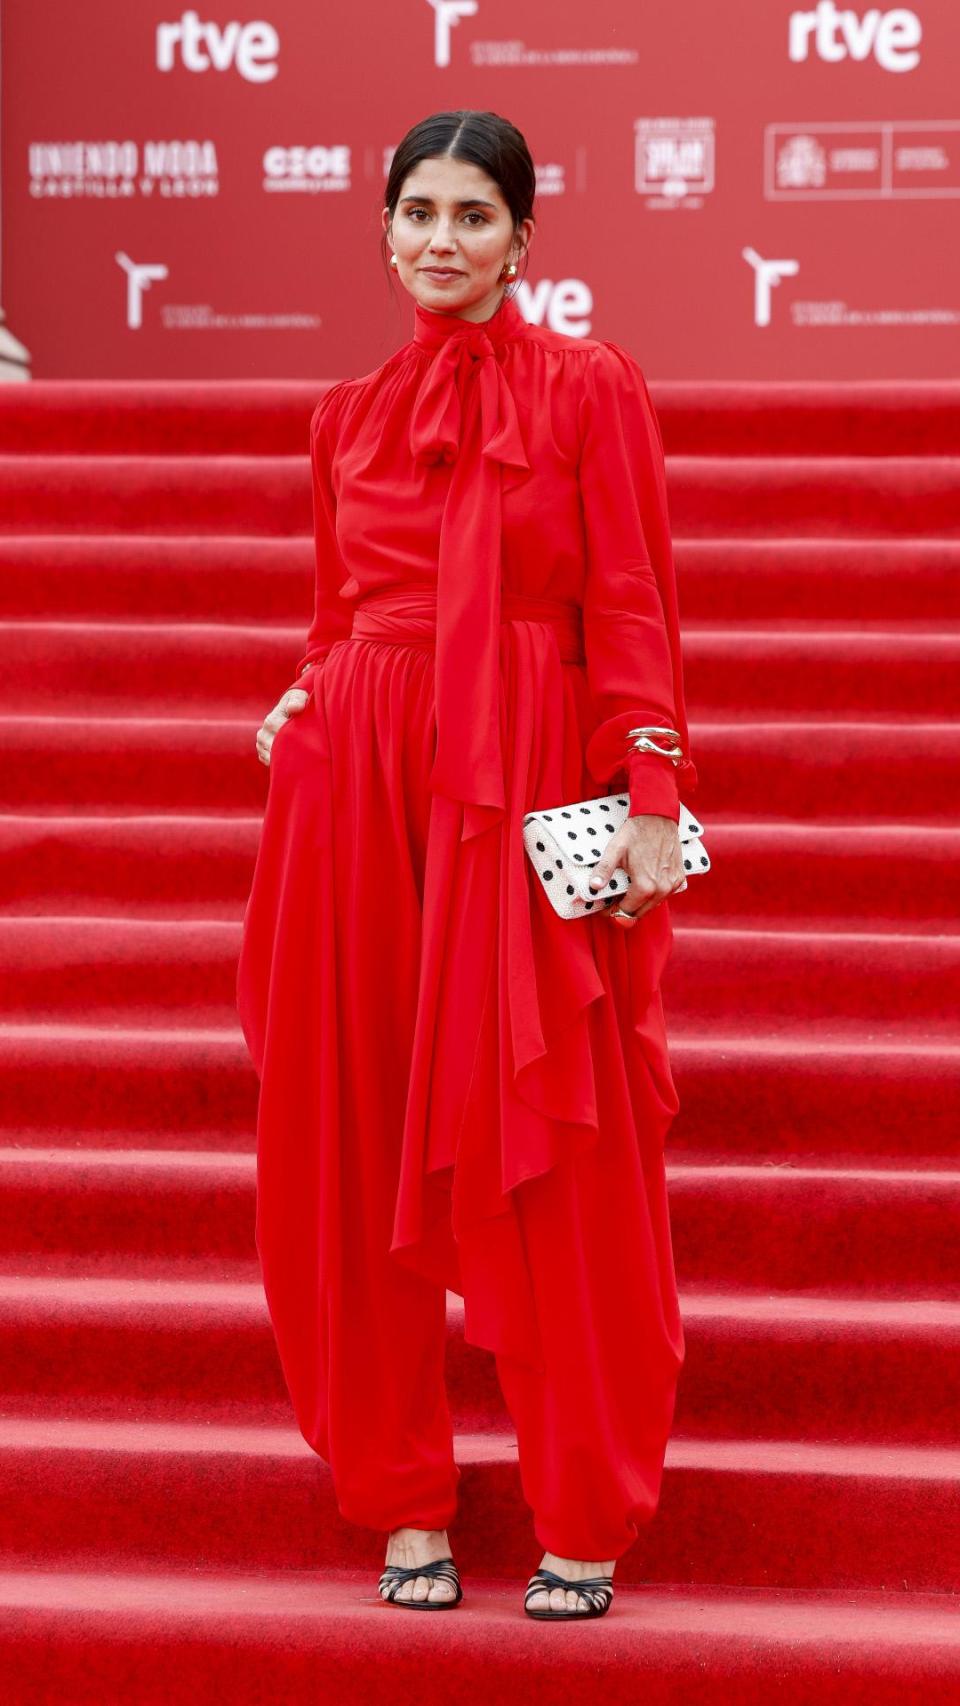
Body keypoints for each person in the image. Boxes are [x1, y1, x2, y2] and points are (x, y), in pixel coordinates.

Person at [236, 108, 699, 1623]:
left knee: (556, 1144)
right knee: (359, 1135)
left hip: (526, 781)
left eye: (475, 217)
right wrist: (301, 695)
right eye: (420, 212)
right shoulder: (345, 416)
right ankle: (401, 1497)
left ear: (524, 239)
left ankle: (583, 1507)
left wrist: (648, 783)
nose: (443, 240)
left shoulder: (589, 390)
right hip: (357, 797)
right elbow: (336, 605)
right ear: (383, 228)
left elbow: (629, 599)